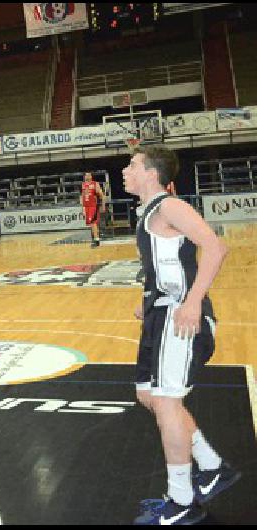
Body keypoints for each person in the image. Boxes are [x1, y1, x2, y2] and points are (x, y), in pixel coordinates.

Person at [124, 146, 240, 525]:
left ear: (151, 174)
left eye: (132, 165)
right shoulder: (148, 213)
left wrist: (193, 302)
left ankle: (182, 501)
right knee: (150, 396)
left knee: (168, 403)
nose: (125, 170)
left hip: (180, 317)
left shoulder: (169, 206)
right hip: (161, 315)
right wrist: (148, 296)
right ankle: (211, 467)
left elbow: (214, 247)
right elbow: (168, 262)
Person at [81, 172, 106, 248]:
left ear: (91, 176)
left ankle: (96, 240)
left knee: (94, 223)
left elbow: (102, 195)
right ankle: (94, 239)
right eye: (86, 175)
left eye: (89, 175)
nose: (87, 176)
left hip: (93, 206)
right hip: (87, 207)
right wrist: (83, 209)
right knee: (92, 224)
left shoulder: (95, 184)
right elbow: (83, 197)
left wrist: (103, 205)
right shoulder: (83, 185)